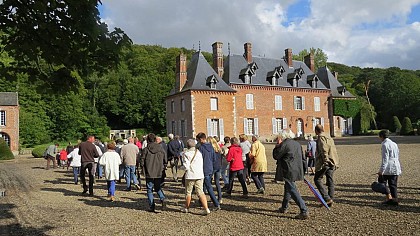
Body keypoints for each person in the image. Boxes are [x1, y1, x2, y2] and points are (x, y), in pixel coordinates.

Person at [273, 129, 308, 220]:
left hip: (288, 169)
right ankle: (284, 207)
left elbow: (276, 156)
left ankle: (304, 210)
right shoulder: (297, 144)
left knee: (292, 189)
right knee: (288, 188)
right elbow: (303, 158)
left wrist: (277, 146)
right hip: (297, 169)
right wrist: (304, 169)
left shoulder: (285, 144)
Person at [181, 139, 211, 215]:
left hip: (190, 175)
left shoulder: (186, 154)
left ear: (187, 146)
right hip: (200, 174)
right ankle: (206, 208)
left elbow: (186, 166)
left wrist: (181, 168)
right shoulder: (199, 152)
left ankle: (186, 207)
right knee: (200, 192)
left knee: (188, 192)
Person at [140, 133, 167, 212]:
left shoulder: (146, 149)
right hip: (159, 171)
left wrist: (142, 167)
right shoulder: (161, 148)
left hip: (149, 171)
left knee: (149, 189)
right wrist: (163, 166)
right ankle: (162, 198)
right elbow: (165, 160)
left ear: (147, 140)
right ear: (155, 139)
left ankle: (152, 205)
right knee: (158, 187)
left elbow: (142, 160)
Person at [314, 124, 338, 208]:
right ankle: (330, 199)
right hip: (333, 161)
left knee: (317, 179)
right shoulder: (329, 137)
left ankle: (327, 198)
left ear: (316, 131)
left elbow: (324, 150)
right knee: (330, 180)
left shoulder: (321, 138)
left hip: (326, 162)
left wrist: (325, 161)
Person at [196, 132, 221, 210]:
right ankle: (201, 201)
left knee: (208, 187)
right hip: (210, 168)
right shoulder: (211, 147)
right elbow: (214, 158)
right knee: (203, 185)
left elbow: (198, 160)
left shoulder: (201, 148)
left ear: (200, 139)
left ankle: (216, 204)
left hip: (203, 169)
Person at [377, 129, 402, 205]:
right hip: (396, 165)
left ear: (381, 136)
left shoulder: (385, 145)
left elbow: (385, 159)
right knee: (393, 185)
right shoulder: (394, 143)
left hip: (389, 167)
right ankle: (394, 200)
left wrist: (381, 170)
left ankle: (389, 197)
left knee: (382, 181)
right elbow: (397, 155)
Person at [207, 136, 223, 204]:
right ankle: (220, 198)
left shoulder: (210, 149)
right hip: (218, 166)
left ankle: (212, 197)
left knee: (208, 182)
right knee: (217, 182)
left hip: (212, 167)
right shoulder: (218, 148)